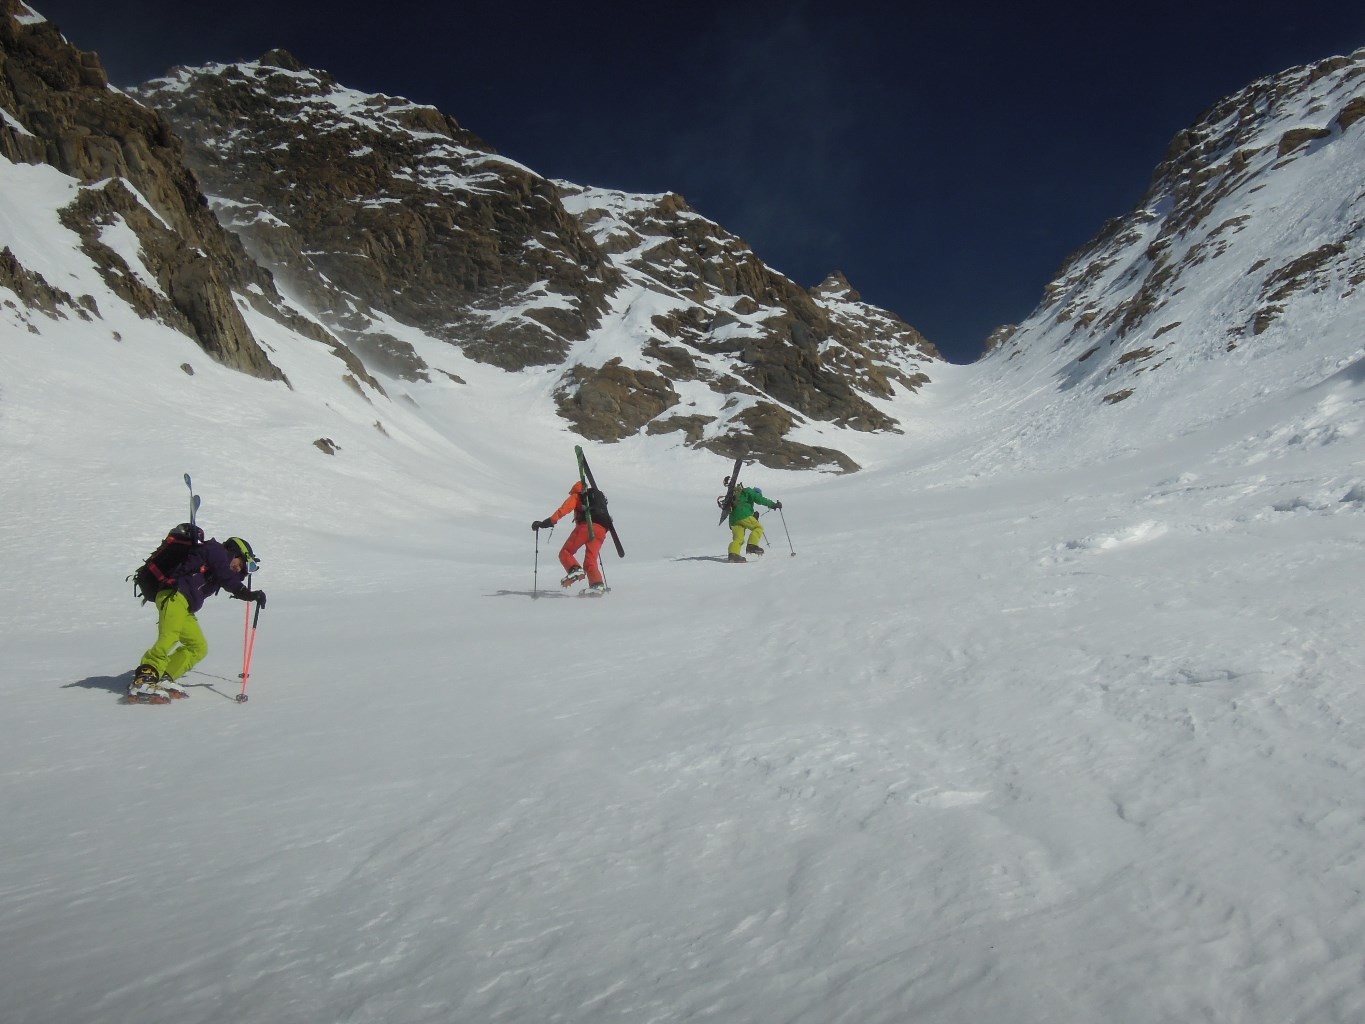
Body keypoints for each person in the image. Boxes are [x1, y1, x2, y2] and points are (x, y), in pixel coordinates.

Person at [129, 536, 266, 701]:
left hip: (184, 606)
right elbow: (227, 578)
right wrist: (247, 593)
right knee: (170, 636)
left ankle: (165, 676)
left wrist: (248, 590)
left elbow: (229, 579)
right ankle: (145, 677)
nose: (238, 569)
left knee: (198, 647)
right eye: (241, 564)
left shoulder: (218, 569)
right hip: (174, 595)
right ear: (235, 552)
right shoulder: (216, 551)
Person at [532, 482, 610, 594]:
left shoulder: (577, 495)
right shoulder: (595, 499)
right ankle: (596, 584)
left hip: (586, 527)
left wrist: (548, 522)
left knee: (565, 552)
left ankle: (575, 569)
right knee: (590, 560)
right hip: (601, 530)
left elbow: (564, 509)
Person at [724, 476, 780, 562]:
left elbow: (744, 506)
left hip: (733, 519)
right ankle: (752, 545)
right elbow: (760, 500)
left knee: (738, 539)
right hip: (743, 514)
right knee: (758, 528)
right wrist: (773, 504)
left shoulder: (741, 496)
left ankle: (733, 554)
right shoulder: (749, 491)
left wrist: (753, 515)